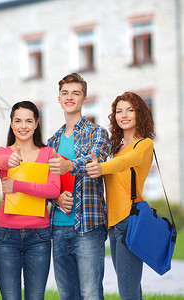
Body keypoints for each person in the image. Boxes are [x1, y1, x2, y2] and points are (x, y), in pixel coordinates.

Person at [47, 73, 110, 300]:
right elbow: (44, 183)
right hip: (58, 226)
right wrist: (54, 200)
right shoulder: (52, 141)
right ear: (59, 99)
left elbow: (97, 161)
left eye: (76, 93)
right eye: (65, 93)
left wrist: (69, 165)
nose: (70, 97)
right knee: (67, 295)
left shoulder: (98, 133)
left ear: (84, 99)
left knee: (91, 294)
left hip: (88, 227)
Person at [86, 92, 155, 299]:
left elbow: (125, 162)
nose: (123, 115)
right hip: (114, 224)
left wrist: (102, 167)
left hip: (129, 222)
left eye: (130, 110)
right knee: (130, 288)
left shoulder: (143, 145)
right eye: (119, 111)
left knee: (128, 291)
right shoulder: (116, 148)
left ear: (139, 114)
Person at [0, 101, 60, 300]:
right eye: (18, 121)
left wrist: (18, 185)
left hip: (39, 236)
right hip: (5, 235)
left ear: (37, 123)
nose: (23, 126)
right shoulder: (3, 152)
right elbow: (0, 161)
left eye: (29, 121)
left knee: (36, 297)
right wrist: (11, 161)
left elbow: (53, 190)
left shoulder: (49, 153)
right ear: (12, 124)